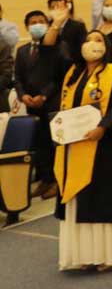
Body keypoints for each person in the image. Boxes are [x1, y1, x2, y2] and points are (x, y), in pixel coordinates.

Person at [53, 30, 112, 270]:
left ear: (107, 46)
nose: (93, 44)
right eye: (88, 40)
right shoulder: (73, 73)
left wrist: (103, 128)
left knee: (102, 199)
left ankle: (107, 255)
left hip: (105, 145)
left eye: (99, 40)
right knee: (79, 198)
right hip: (74, 144)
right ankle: (81, 255)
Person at [16, 10, 66, 199]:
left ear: (47, 24)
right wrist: (23, 96)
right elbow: (18, 78)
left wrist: (43, 96)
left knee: (54, 143)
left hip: (51, 102)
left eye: (41, 21)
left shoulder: (55, 49)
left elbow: (57, 77)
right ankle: (45, 179)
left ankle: (56, 181)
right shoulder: (22, 51)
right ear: (27, 27)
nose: (37, 25)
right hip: (31, 104)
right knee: (40, 144)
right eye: (33, 22)